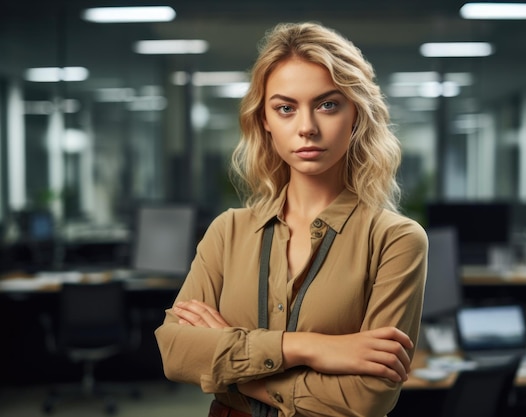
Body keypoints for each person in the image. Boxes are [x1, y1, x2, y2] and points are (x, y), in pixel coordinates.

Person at [155, 21, 428, 417]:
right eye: (285, 108)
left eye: (328, 104)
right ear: (264, 120)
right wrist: (310, 347)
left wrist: (230, 363)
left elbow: (366, 399)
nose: (307, 128)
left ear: (355, 114)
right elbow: (175, 352)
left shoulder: (395, 240)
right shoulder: (227, 231)